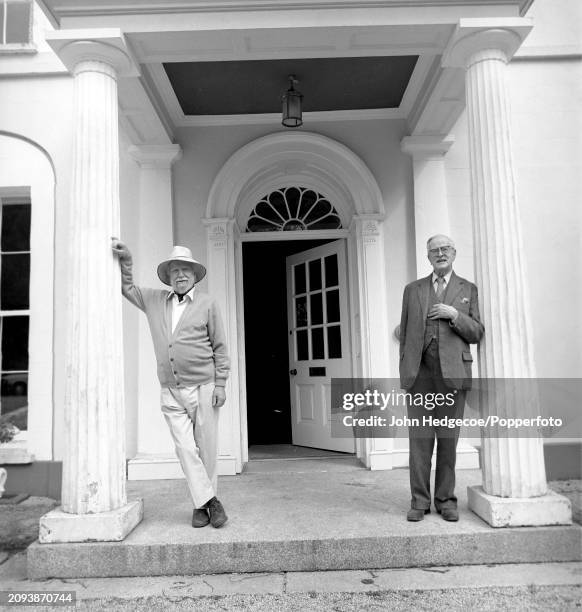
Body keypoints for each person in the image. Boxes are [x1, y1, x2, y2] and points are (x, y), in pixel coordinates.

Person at [111, 238, 230, 528]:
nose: (180, 275)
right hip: (171, 390)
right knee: (186, 449)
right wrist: (127, 261)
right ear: (168, 276)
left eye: (185, 270)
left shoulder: (207, 303)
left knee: (207, 450)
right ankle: (211, 501)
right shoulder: (154, 300)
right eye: (175, 270)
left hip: (203, 386)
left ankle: (199, 506)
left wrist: (221, 383)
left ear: (194, 275)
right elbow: (127, 288)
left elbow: (220, 346)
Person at [399, 235, 484, 522]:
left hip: (453, 376)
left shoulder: (468, 289)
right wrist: (405, 369)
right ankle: (419, 501)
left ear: (454, 252)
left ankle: (446, 500)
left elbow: (476, 332)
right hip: (420, 375)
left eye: (445, 248)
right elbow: (405, 334)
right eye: (434, 250)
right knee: (419, 443)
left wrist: (454, 315)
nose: (440, 253)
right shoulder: (412, 290)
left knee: (448, 441)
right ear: (428, 257)